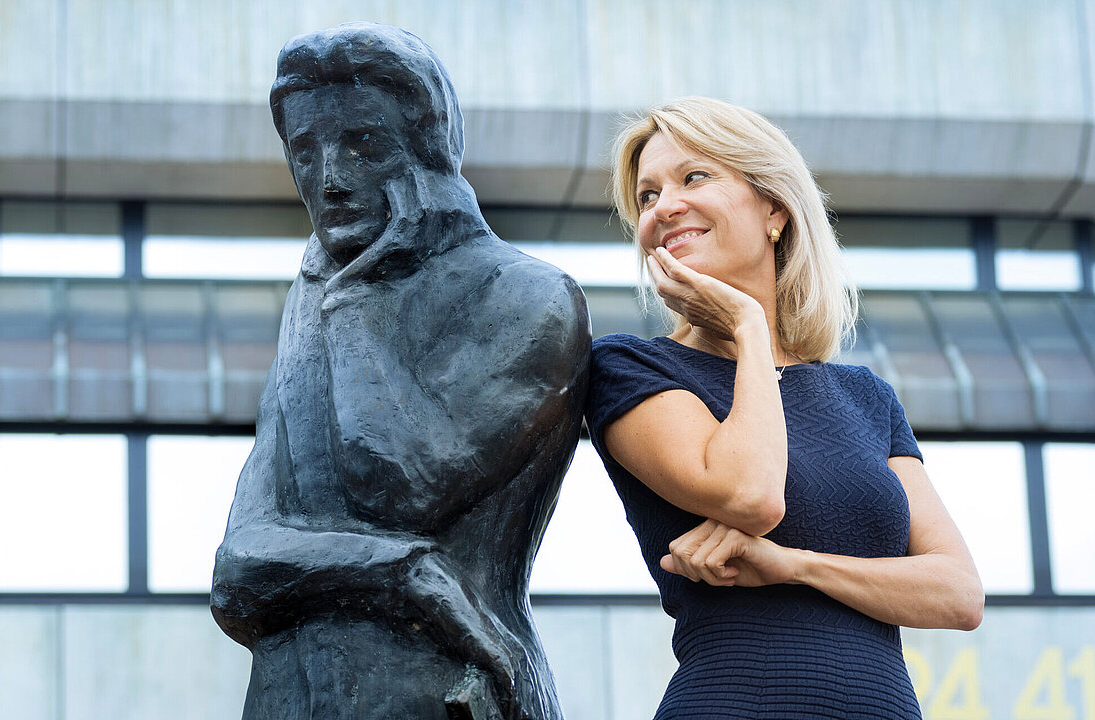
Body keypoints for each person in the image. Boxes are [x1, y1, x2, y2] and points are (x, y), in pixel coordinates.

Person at [210, 23, 589, 720]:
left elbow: (399, 486)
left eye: (363, 145)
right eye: (304, 151)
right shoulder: (312, 305)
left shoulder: (527, 298)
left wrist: (356, 301)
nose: (328, 181)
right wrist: (406, 574)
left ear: (428, 154)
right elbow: (238, 573)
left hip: (451, 696)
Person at [586, 96, 983, 719]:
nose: (664, 206)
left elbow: (959, 595)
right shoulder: (632, 367)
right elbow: (750, 494)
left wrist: (792, 566)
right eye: (647, 195)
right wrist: (747, 326)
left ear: (774, 209)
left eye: (694, 177)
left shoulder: (864, 396)